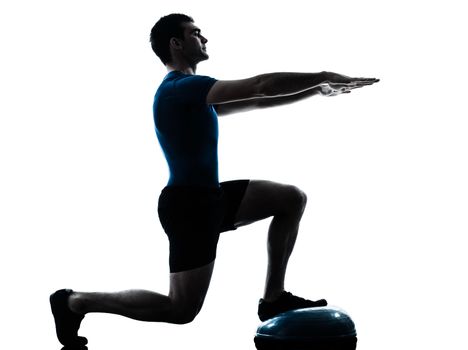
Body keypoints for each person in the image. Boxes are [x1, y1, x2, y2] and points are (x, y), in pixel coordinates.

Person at [50, 13, 378, 349]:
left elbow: (254, 100)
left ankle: (274, 298)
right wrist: (322, 74)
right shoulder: (180, 88)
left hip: (210, 198)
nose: (204, 38)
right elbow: (260, 86)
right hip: (188, 207)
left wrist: (317, 91)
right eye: (195, 33)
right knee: (180, 309)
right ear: (176, 44)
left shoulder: (192, 96)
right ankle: (76, 302)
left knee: (290, 198)